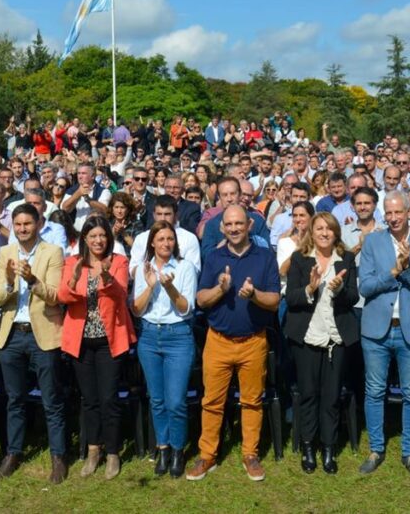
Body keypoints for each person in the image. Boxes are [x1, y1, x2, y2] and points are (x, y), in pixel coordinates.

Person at [188, 205, 281, 482]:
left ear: (249, 224)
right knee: (212, 402)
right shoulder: (214, 257)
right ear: (222, 227)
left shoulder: (265, 257)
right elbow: (201, 300)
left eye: (239, 223)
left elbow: (274, 301)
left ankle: (250, 454)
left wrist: (253, 295)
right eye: (229, 224)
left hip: (253, 341)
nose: (234, 228)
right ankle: (207, 456)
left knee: (252, 402)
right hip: (218, 341)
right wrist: (221, 289)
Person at [358, 191, 410, 481]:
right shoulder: (373, 242)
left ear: (409, 212)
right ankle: (376, 449)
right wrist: (393, 272)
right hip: (377, 329)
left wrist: (409, 268)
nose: (392, 218)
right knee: (375, 390)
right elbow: (365, 288)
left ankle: (409, 452)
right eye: (388, 213)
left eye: (398, 213)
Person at [0, 204, 68, 484]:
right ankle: (13, 452)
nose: (22, 228)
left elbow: (55, 296)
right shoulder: (5, 253)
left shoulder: (52, 252)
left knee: (52, 400)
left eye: (27, 223)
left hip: (43, 334)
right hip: (12, 334)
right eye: (18, 224)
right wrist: (11, 283)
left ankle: (58, 456)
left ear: (38, 224)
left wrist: (32, 280)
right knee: (14, 399)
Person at [58, 216, 135, 479]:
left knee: (109, 398)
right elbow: (63, 297)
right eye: (93, 236)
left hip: (109, 341)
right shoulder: (72, 263)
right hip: (81, 341)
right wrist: (74, 279)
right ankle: (93, 450)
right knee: (89, 400)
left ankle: (112, 452)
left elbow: (122, 295)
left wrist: (106, 277)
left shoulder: (119, 262)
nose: (98, 240)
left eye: (102, 235)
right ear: (85, 239)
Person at [284, 212, 359, 475]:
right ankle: (307, 446)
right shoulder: (299, 259)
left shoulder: (346, 259)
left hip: (336, 338)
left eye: (329, 229)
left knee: (331, 396)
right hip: (307, 337)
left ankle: (328, 447)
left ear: (336, 232)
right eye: (319, 228)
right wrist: (309, 289)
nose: (324, 233)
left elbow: (353, 297)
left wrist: (338, 289)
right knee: (308, 394)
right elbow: (291, 298)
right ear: (311, 232)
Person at [131, 221, 197, 478]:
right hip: (149, 336)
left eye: (170, 239)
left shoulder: (185, 267)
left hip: (177, 336)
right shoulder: (143, 270)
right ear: (152, 243)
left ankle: (179, 449)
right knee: (156, 400)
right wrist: (150, 285)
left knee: (176, 400)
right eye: (160, 239)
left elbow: (185, 308)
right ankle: (163, 448)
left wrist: (168, 286)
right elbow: (136, 309)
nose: (166, 244)